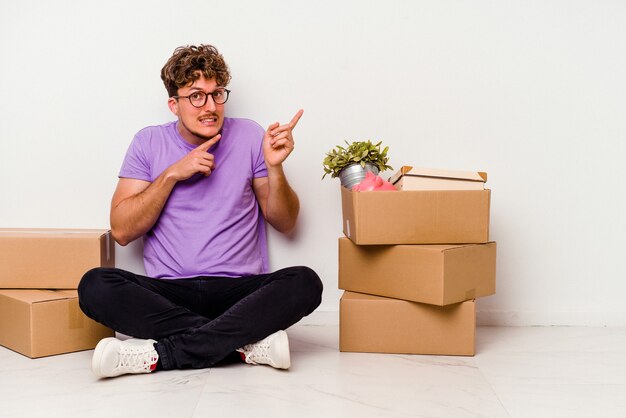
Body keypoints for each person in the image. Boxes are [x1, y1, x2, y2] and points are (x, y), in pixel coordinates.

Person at [78, 44, 323, 378]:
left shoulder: (251, 136)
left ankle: (159, 356)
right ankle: (241, 344)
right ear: (173, 104)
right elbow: (122, 231)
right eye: (196, 96)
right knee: (95, 285)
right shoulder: (148, 143)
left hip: (239, 292)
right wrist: (171, 175)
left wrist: (275, 167)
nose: (210, 107)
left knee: (305, 282)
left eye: (216, 94)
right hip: (171, 294)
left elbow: (285, 221)